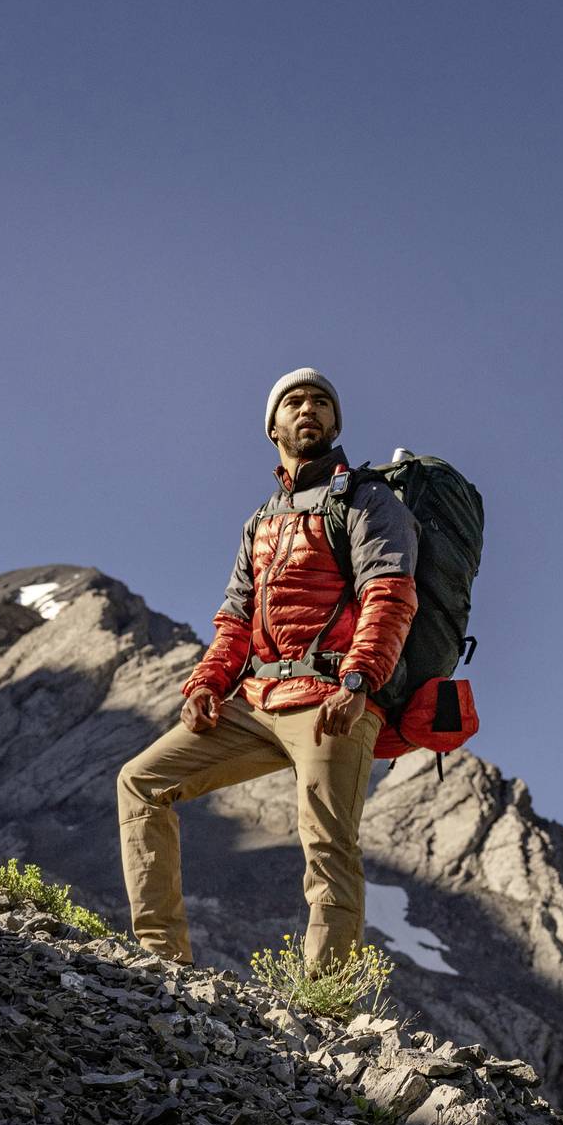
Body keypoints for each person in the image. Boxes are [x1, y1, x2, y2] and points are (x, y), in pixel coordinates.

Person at [115, 367, 418, 974]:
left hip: (334, 697)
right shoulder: (262, 521)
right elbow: (234, 621)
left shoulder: (366, 500)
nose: (309, 409)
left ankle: (323, 1006)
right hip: (256, 700)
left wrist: (360, 681)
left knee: (327, 843)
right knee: (140, 783)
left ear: (335, 423)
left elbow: (389, 596)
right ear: (273, 426)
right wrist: (204, 685)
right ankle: (161, 962)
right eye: (295, 401)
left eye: (322, 402)